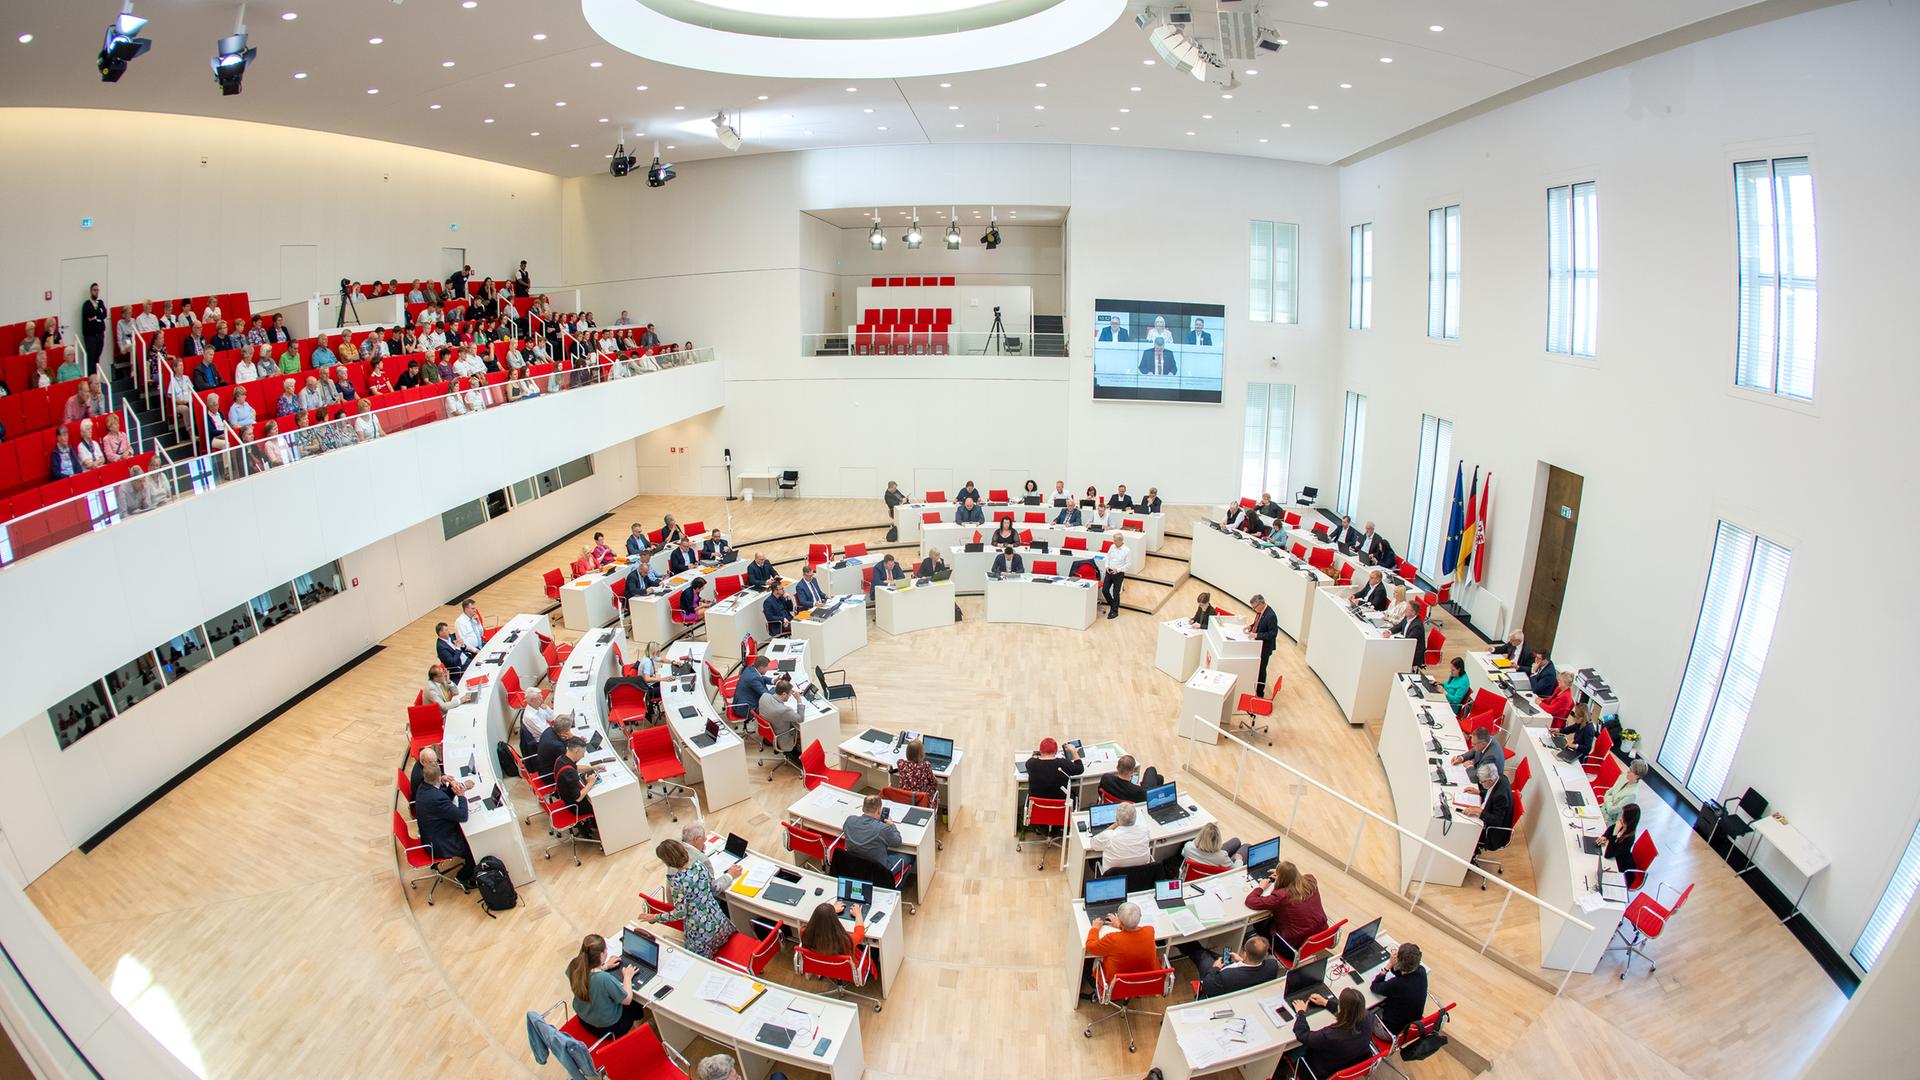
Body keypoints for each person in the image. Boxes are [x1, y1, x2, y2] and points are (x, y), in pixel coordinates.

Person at [639, 839, 744, 958]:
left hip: (700, 934)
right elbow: (715, 888)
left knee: (692, 962)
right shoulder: (699, 865)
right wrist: (729, 875)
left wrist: (655, 917)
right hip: (720, 923)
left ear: (667, 862)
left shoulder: (677, 882)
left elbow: (679, 913)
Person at [1284, 988, 1391, 1079]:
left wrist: (1301, 1013)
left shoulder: (1331, 1036)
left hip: (1317, 1071)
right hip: (1348, 1063)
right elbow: (1350, 1012)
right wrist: (1325, 1002)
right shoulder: (1369, 1017)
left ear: (1341, 1009)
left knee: (1289, 1050)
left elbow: (1302, 1035)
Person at [567, 934, 645, 1040]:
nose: (607, 952)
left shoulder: (574, 965)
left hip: (584, 1019)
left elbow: (588, 974)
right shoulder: (603, 979)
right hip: (608, 1029)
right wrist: (627, 976)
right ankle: (640, 1030)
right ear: (601, 954)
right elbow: (627, 999)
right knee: (635, 1003)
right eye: (606, 950)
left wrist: (605, 966)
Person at [413, 761, 476, 887]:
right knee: (473, 847)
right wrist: (461, 795)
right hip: (440, 843)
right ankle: (462, 877)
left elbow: (443, 797)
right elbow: (462, 816)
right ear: (439, 777)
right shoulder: (436, 798)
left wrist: (452, 789)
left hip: (431, 835)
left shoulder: (423, 787)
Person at [1245, 862, 1329, 957]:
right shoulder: (1311, 881)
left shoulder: (1280, 896)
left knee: (1259, 922)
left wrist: (1261, 887)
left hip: (1293, 947)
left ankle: (1267, 951)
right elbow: (1300, 878)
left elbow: (1251, 901)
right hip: (1321, 936)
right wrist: (1287, 876)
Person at [1081, 902, 1157, 999]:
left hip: (1114, 986)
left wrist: (1095, 929)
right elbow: (1135, 932)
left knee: (1089, 961)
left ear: (1120, 921)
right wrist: (1121, 925)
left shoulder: (1113, 939)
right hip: (1142, 983)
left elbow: (1090, 947)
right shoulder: (1150, 931)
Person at [842, 793, 912, 879]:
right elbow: (897, 842)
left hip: (855, 866)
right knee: (910, 856)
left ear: (863, 808)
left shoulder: (850, 820)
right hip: (879, 872)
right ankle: (894, 887)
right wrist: (892, 825)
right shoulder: (882, 828)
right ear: (879, 810)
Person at [1192, 934, 1277, 999]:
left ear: (1245, 954)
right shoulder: (1272, 966)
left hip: (1215, 977)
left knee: (1200, 954)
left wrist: (1215, 967)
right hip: (1237, 982)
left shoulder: (1226, 975)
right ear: (1265, 954)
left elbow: (1206, 987)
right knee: (1215, 955)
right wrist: (1242, 960)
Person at [1371, 942, 1429, 1037]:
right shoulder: (1421, 971)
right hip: (1411, 1026)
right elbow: (1402, 974)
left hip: (1389, 1032)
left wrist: (1388, 965)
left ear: (1399, 961)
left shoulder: (1396, 984)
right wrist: (1396, 965)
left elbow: (1375, 986)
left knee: (1364, 1011)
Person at [1459, 762, 1514, 854]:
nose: (1480, 783)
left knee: (1463, 827)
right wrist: (1479, 792)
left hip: (1492, 832)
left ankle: (1466, 855)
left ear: (1490, 781)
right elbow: (1491, 793)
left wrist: (1479, 811)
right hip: (1488, 815)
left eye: (1482, 782)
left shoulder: (1501, 796)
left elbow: (1497, 821)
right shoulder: (1500, 777)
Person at [552, 737, 600, 840]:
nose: (583, 756)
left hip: (565, 798)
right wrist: (590, 783)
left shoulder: (561, 759)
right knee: (600, 801)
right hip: (575, 807)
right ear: (577, 751)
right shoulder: (569, 772)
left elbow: (575, 768)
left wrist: (593, 768)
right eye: (583, 753)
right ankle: (600, 828)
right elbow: (578, 798)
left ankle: (592, 825)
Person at [1087, 801, 1153, 873]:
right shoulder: (1144, 831)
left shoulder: (1109, 836)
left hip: (1114, 879)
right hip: (1138, 878)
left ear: (1117, 820)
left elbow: (1093, 844)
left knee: (1092, 859)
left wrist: (1115, 824)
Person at [800, 898, 869, 959]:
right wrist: (858, 913)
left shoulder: (804, 932)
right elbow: (860, 934)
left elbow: (821, 918)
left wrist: (830, 910)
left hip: (819, 967)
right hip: (843, 970)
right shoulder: (845, 941)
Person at [758, 677, 803, 763]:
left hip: (770, 732)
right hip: (782, 738)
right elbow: (800, 718)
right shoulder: (784, 710)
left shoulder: (764, 696)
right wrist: (799, 700)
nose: (790, 696)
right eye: (789, 695)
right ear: (784, 694)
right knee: (803, 727)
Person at [892, 739, 940, 805]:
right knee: (933, 785)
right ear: (921, 754)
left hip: (904, 798)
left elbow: (900, 761)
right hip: (920, 799)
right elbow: (933, 783)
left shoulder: (901, 763)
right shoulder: (926, 765)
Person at [1096, 755, 1162, 804]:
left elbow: (1100, 791)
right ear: (1132, 772)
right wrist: (1138, 787)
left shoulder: (1106, 778)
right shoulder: (1137, 790)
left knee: (1159, 778)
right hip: (1131, 808)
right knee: (1152, 771)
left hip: (1112, 804)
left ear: (1117, 767)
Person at [1602, 759, 1649, 825]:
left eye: (1631, 771)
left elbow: (1611, 811)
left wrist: (1609, 798)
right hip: (1602, 808)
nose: (1628, 771)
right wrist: (1611, 801)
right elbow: (1608, 792)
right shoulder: (1623, 777)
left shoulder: (1632, 794)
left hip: (1608, 820)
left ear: (1637, 776)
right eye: (1629, 768)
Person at [1249, 593, 1279, 696]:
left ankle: (1260, 692)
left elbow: (1273, 634)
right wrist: (1250, 627)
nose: (1254, 609)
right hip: (1257, 645)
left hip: (1265, 648)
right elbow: (1258, 623)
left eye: (1254, 607)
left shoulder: (1271, 616)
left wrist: (1256, 635)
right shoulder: (1260, 611)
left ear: (1261, 604)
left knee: (1261, 669)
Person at [1604, 802, 1642, 878]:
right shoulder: (1623, 825)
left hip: (1622, 870)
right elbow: (1611, 829)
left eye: (1623, 815)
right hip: (1615, 859)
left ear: (1628, 819)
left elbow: (1608, 854)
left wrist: (1614, 834)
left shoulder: (1629, 839)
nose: (1620, 817)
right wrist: (1604, 836)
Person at [732, 655, 772, 724]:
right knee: (773, 706)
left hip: (740, 702)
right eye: (767, 667)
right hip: (746, 709)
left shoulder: (751, 668)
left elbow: (761, 678)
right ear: (762, 668)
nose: (768, 669)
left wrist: (773, 681)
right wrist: (780, 691)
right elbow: (766, 695)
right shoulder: (753, 678)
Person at [535, 714, 576, 779]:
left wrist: (571, 738)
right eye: (569, 730)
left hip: (543, 767)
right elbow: (571, 762)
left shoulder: (549, 730)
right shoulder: (557, 746)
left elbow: (561, 741)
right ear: (564, 733)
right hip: (550, 775)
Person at [1390, 602, 1427, 671]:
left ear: (1413, 612)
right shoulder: (1407, 617)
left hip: (1414, 652)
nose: (1405, 610)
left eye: (1407, 609)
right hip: (1406, 645)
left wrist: (1394, 640)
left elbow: (1408, 641)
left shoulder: (1417, 626)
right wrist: (1389, 632)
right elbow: (1399, 626)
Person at [1101, 537, 1129, 618]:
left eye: (1115, 541)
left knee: (1115, 593)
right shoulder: (1112, 547)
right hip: (1109, 572)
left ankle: (1114, 611)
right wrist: (1106, 566)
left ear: (1121, 540)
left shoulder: (1127, 550)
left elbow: (1128, 564)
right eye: (1114, 540)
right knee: (1105, 590)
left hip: (1118, 574)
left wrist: (1118, 570)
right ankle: (1114, 605)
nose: (1114, 542)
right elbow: (1108, 557)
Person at [81, 283, 107, 370]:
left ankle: (97, 377)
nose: (96, 292)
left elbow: (104, 314)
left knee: (97, 358)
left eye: (97, 290)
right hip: (90, 337)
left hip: (100, 335)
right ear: (91, 291)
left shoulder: (100, 302)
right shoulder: (87, 304)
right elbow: (89, 314)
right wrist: (98, 314)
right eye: (94, 290)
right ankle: (92, 378)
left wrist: (95, 317)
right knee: (91, 358)